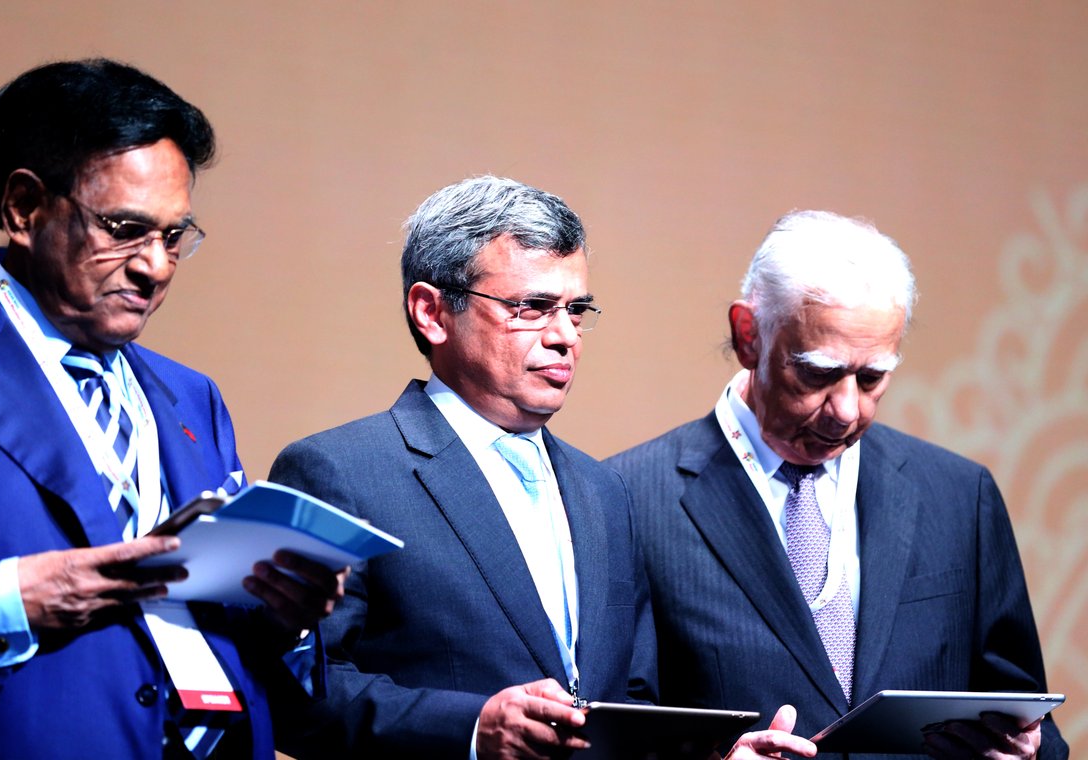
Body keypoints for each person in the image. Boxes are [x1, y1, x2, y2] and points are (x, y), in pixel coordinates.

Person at [0, 59, 345, 758]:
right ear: (24, 208)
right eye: (124, 228)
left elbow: (220, 623)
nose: (155, 266)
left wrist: (283, 612)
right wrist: (8, 599)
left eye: (173, 236)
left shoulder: (192, 396)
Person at [267, 176, 814, 760]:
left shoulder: (603, 490)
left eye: (576, 310)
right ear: (431, 312)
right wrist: (473, 729)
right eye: (532, 308)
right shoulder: (336, 473)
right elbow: (296, 693)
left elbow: (630, 700)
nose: (564, 337)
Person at [607, 210, 1069, 760]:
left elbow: (1030, 719)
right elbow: (613, 734)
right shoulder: (627, 497)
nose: (847, 411)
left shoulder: (958, 494)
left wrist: (1027, 750)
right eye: (819, 374)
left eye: (872, 378)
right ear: (749, 336)